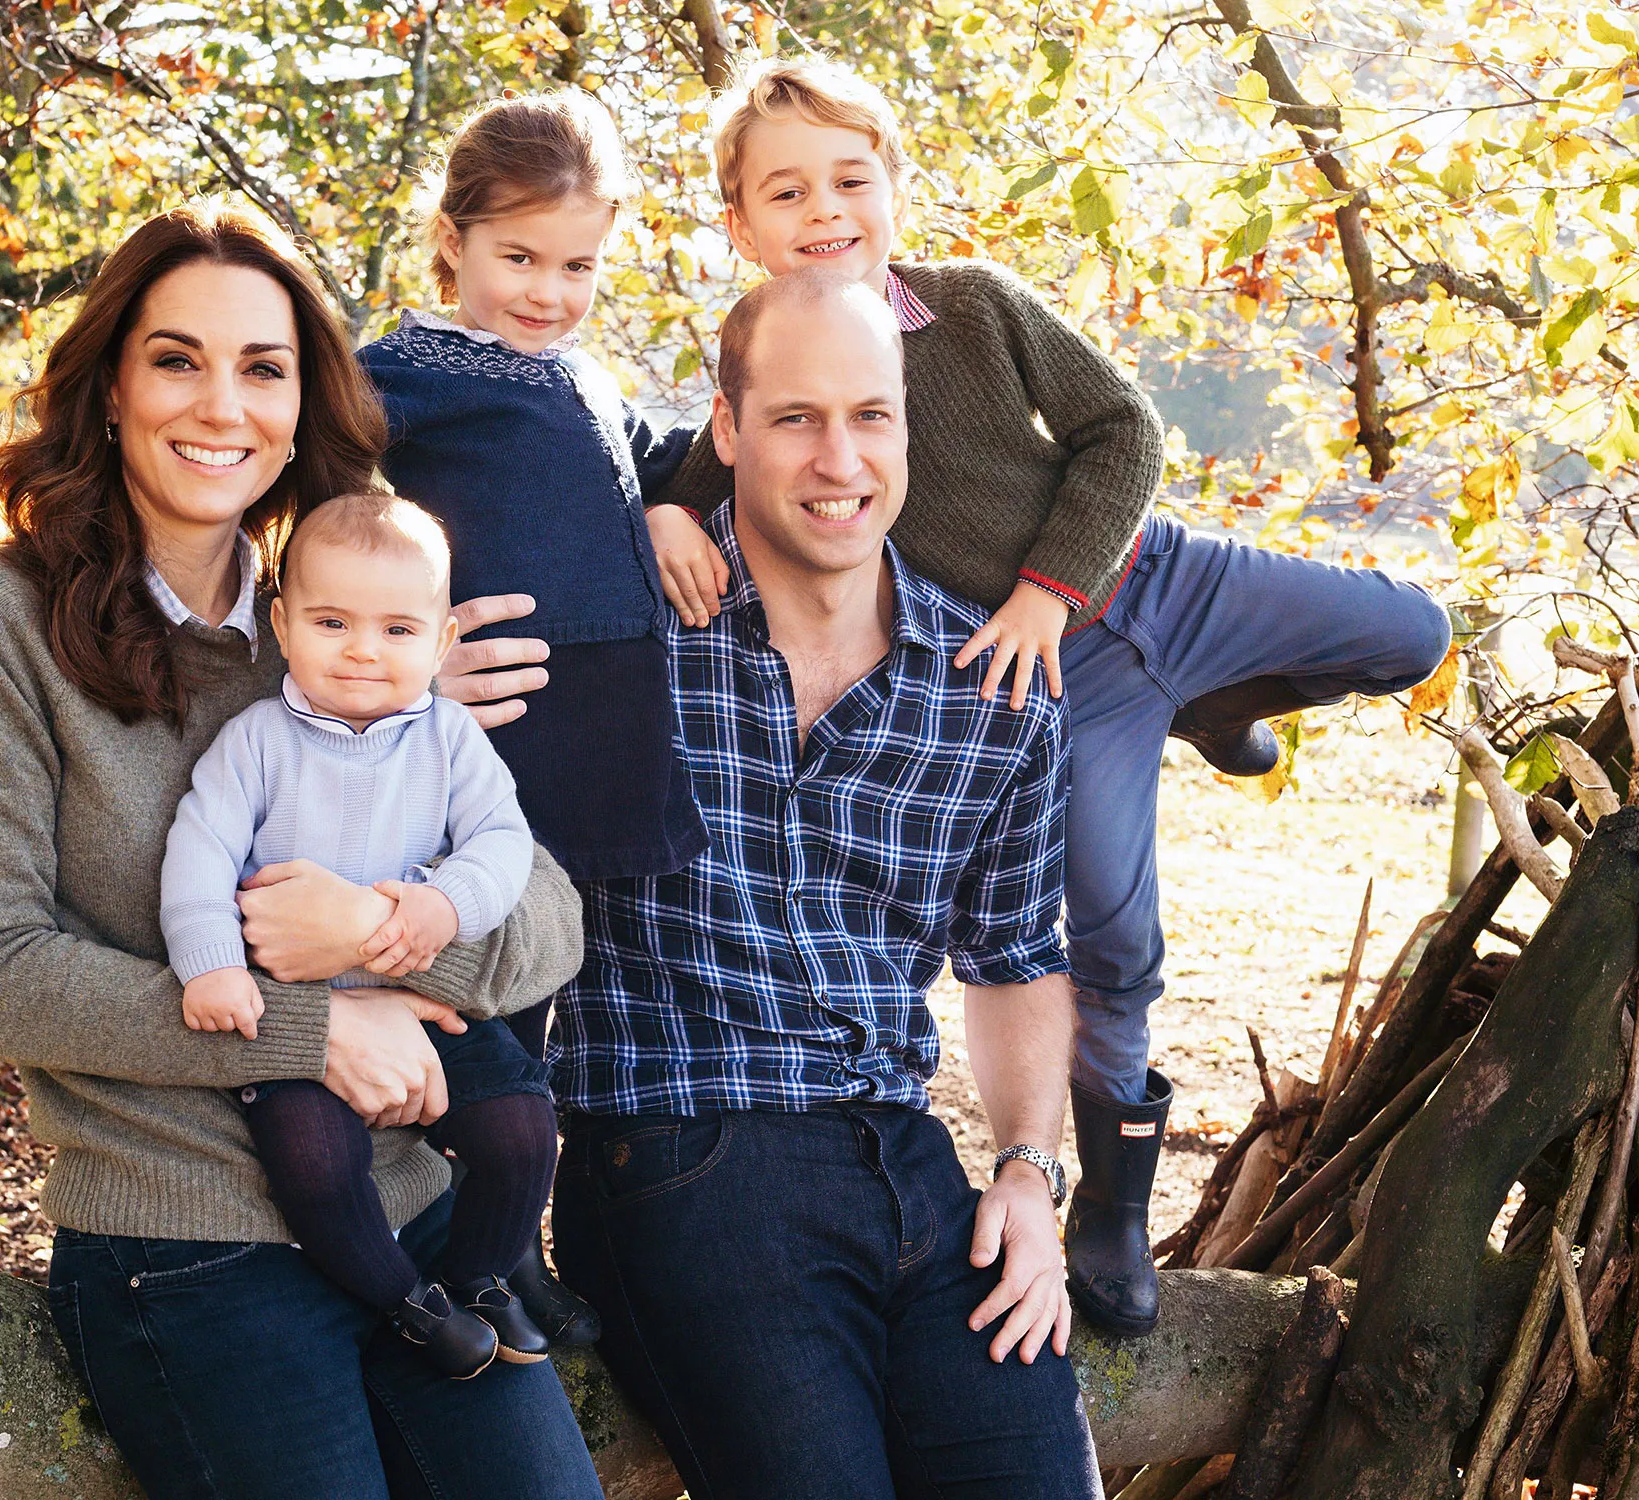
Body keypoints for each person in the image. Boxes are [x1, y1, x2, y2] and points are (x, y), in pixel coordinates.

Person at [647, 56, 1452, 1336]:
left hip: (1156, 581)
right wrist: (657, 514)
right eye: (785, 192)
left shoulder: (971, 307)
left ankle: (1216, 699)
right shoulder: (772, 368)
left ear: (894, 187)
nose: (825, 211)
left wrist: (1042, 585)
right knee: (1111, 938)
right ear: (740, 225)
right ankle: (1113, 1216)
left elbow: (1122, 429)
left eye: (851, 179)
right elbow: (707, 467)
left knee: (1413, 630)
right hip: (1056, 687)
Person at [0, 197, 604, 1500]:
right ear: (109, 387)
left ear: (303, 404)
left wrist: (391, 934)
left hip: (416, 1209)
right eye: (177, 358)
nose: (221, 405)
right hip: (186, 1243)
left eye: (262, 368)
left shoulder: (347, 616)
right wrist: (315, 1028)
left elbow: (550, 916)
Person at [550, 269, 1105, 1499]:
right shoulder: (622, 646)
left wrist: (1026, 1167)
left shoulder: (991, 691)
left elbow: (1013, 958)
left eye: (869, 415)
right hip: (678, 1146)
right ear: (729, 431)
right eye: (795, 418)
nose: (838, 457)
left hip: (907, 1162)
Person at [356, 89, 707, 1341]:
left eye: (577, 266)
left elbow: (656, 451)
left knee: (544, 1001)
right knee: (481, 998)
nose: (548, 292)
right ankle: (471, 1244)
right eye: (517, 258)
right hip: (499, 736)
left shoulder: (582, 372)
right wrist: (400, 653)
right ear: (451, 240)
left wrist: (667, 503)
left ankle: (512, 1242)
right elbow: (310, 507)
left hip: (603, 736)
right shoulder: (403, 373)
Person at [161, 492, 558, 1378]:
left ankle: (481, 1276)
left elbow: (502, 844)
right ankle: (405, 1302)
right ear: (283, 623)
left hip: (418, 1003)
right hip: (296, 1018)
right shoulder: (255, 741)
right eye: (331, 621)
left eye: (397, 629)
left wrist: (443, 906)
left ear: (443, 641)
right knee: (313, 1160)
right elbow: (198, 851)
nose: (363, 650)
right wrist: (212, 965)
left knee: (522, 1127)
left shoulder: (451, 740)